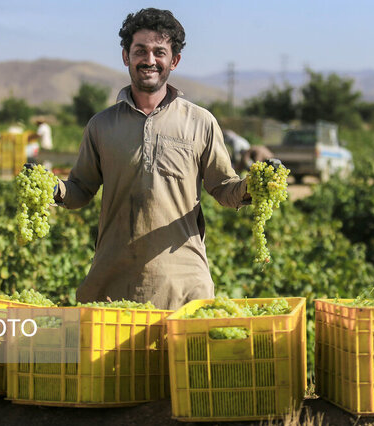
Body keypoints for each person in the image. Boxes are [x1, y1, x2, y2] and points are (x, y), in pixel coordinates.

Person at [50, 8, 281, 310]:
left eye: (160, 52)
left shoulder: (200, 122)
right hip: (113, 281)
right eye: (140, 51)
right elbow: (80, 189)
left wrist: (252, 186)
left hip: (183, 284)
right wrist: (53, 189)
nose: (149, 60)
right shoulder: (101, 125)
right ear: (126, 56)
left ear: (174, 61)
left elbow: (224, 188)